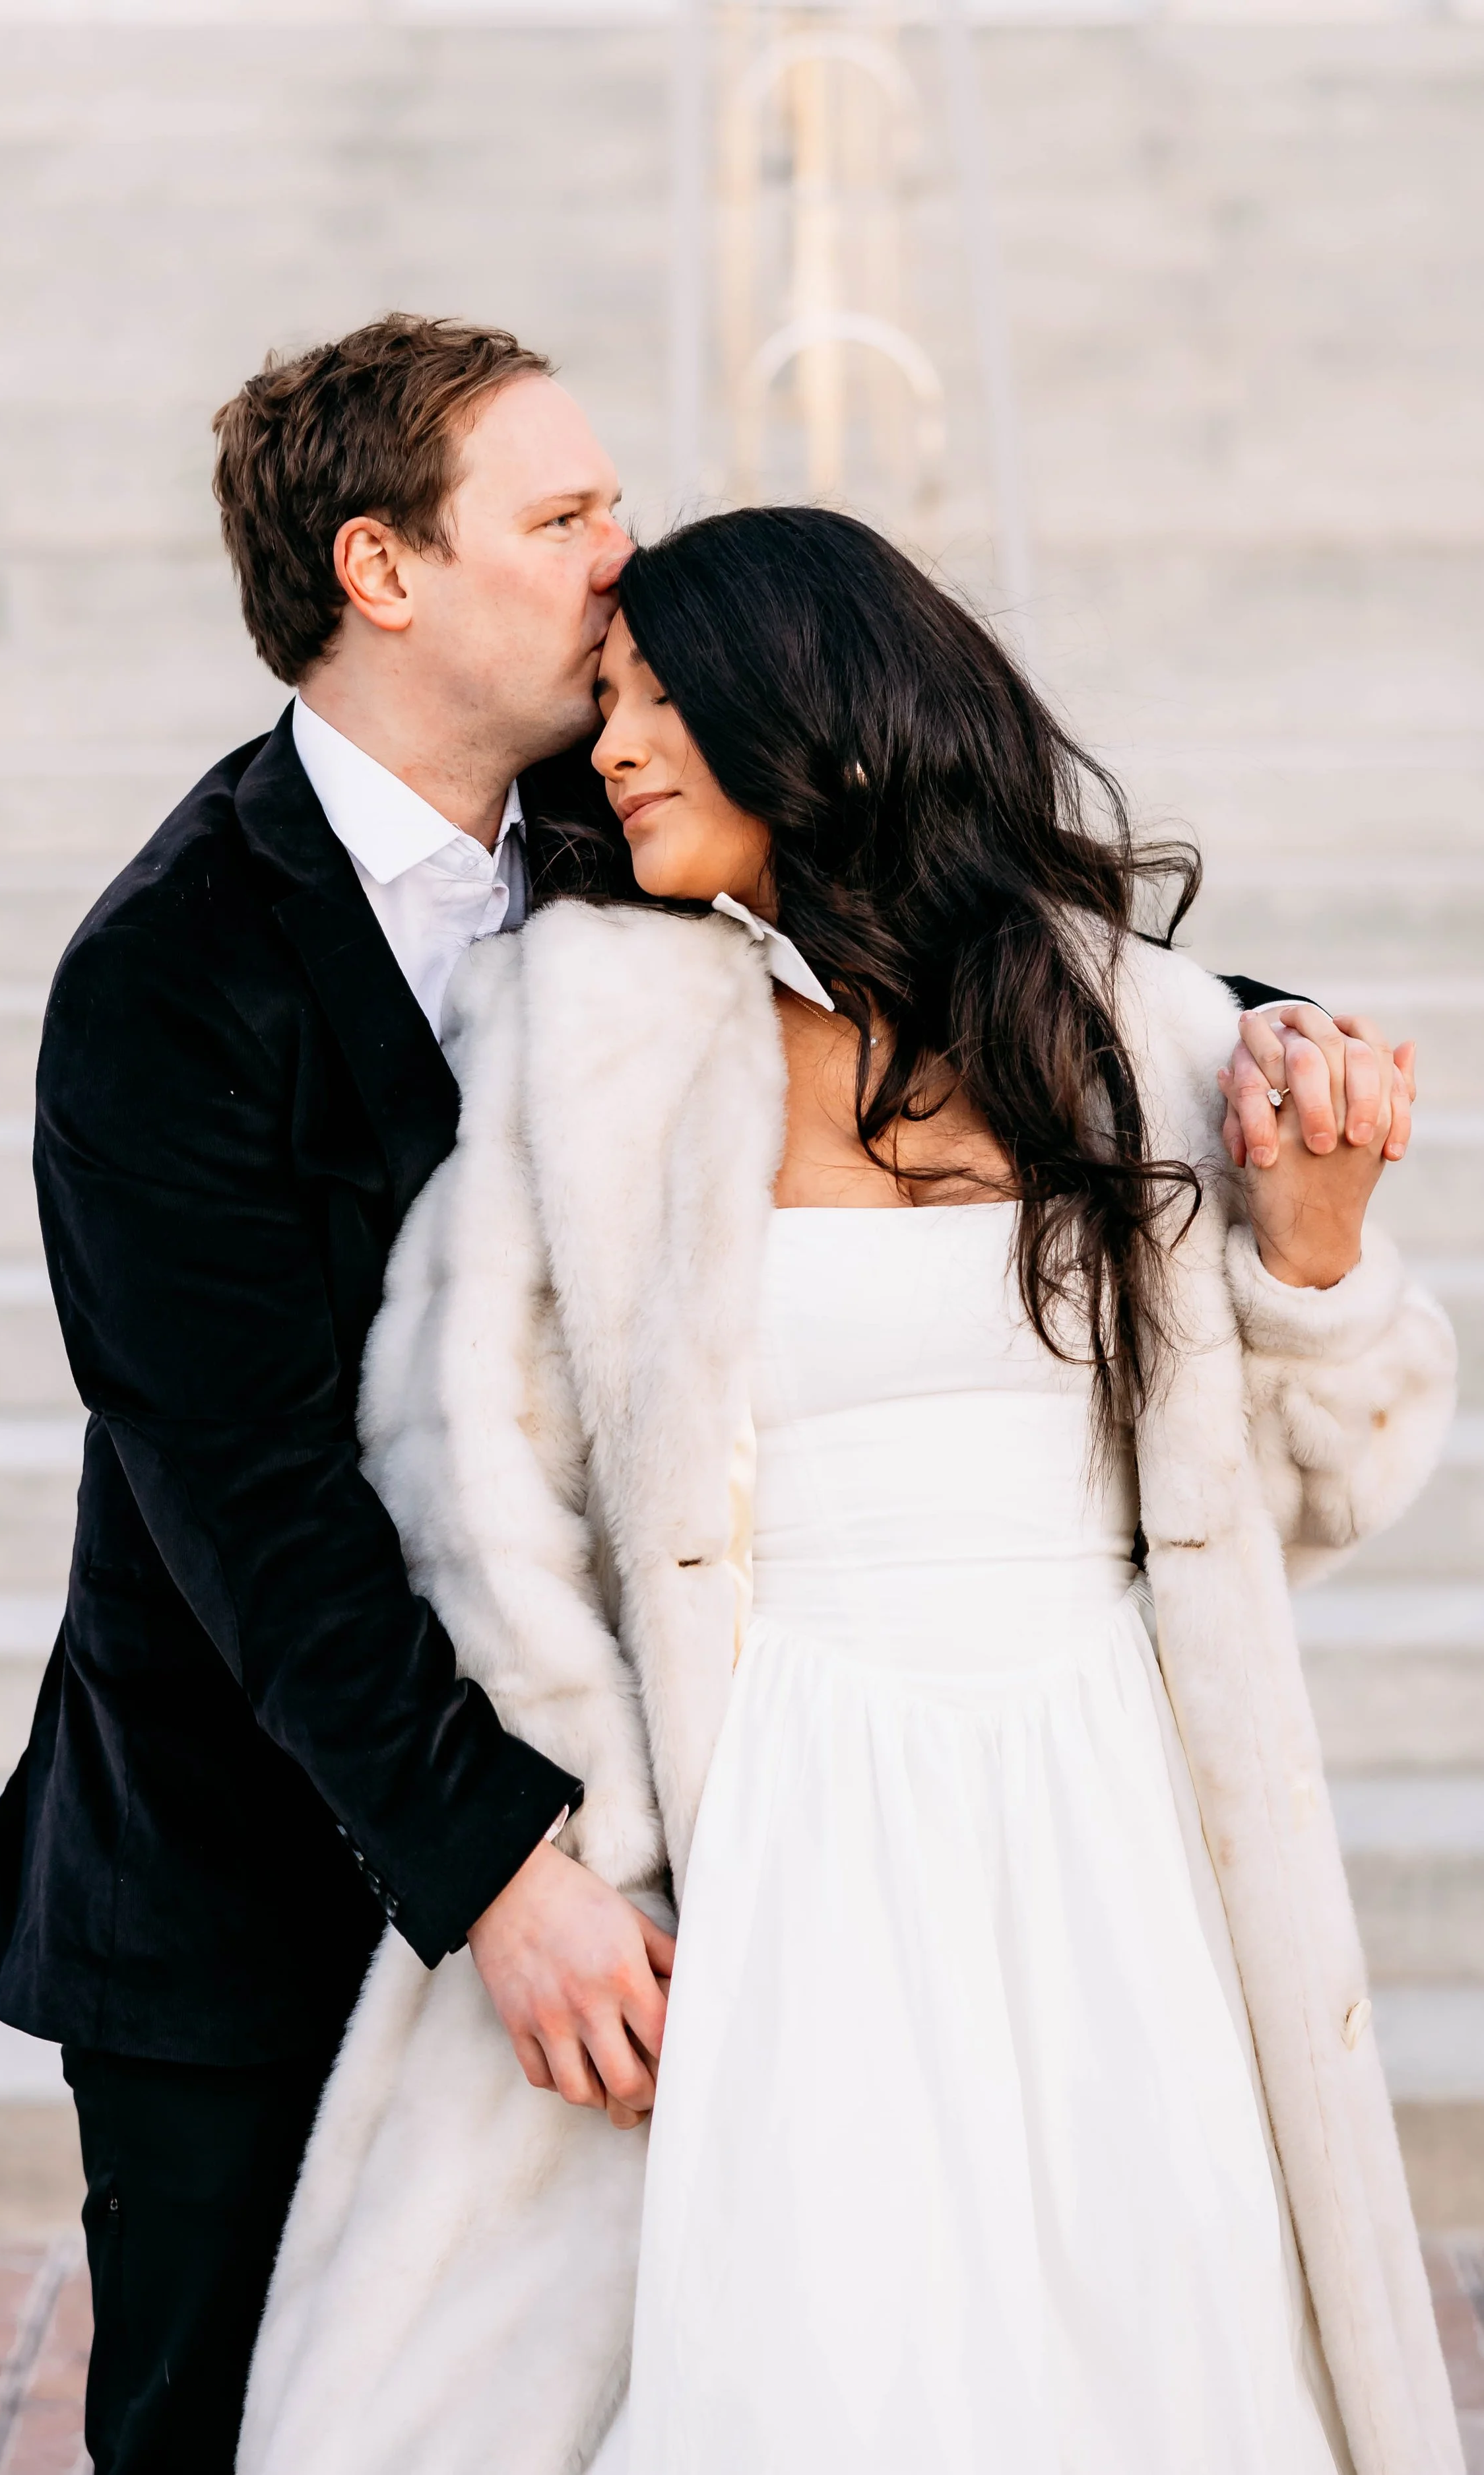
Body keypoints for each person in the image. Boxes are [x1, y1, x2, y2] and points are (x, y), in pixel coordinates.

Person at [240, 508, 1461, 2475]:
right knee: (799, 2366)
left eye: (652, 701)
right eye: (609, 697)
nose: (609, 745)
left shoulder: (1143, 1029)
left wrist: (1304, 1260)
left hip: (1107, 1802)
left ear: (810, 715)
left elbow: (1321, 1488)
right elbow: (481, 1490)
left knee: (1132, 2364)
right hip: (776, 1800)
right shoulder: (598, 1043)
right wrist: (588, 1833)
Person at [0, 315, 676, 2475]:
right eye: (562, 514)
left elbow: (969, 918)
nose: (627, 549)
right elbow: (246, 1499)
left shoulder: (642, 820)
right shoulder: (165, 972)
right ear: (381, 568)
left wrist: (1254, 1039)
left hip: (625, 1837)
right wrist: (500, 1875)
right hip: (261, 1880)